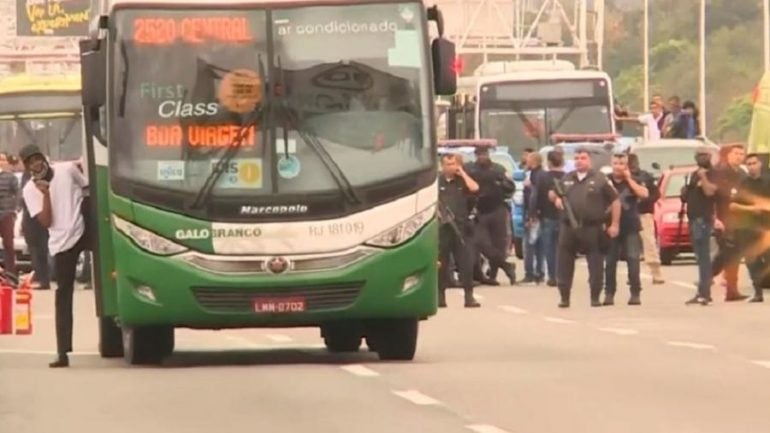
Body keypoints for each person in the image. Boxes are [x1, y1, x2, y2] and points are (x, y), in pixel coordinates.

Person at [19, 144, 89, 368]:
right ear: (27, 167)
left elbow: (87, 187)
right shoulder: (30, 190)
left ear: (44, 158)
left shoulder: (67, 169)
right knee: (63, 294)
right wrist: (46, 193)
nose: (36, 164)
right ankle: (62, 351)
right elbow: (46, 221)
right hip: (61, 242)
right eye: (30, 162)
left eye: (38, 159)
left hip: (84, 228)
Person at [550, 148, 620, 308]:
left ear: (589, 161)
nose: (579, 161)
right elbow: (552, 193)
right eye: (576, 158)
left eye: (582, 158)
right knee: (564, 263)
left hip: (592, 227)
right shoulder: (567, 178)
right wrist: (556, 199)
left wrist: (614, 224)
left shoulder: (600, 179)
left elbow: (615, 200)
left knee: (595, 263)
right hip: (568, 228)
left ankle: (595, 297)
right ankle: (564, 297)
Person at [466, 146, 517, 286]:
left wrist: (503, 183)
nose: (482, 157)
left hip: (497, 209)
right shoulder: (469, 169)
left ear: (488, 155)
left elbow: (510, 187)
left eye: (484, 154)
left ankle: (493, 274)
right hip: (479, 211)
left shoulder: (498, 169)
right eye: (479, 154)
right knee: (481, 243)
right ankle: (507, 266)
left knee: (498, 243)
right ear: (475, 155)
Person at [603, 153, 649, 306]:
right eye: (615, 163)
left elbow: (644, 194)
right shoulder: (605, 180)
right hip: (610, 227)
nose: (618, 166)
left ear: (627, 165)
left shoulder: (634, 180)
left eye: (621, 163)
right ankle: (609, 293)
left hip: (631, 226)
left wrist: (629, 179)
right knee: (610, 262)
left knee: (633, 260)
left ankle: (635, 293)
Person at [438, 153, 480, 308]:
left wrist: (462, 172)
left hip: (461, 227)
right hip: (443, 229)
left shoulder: (462, 181)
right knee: (442, 264)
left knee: (466, 263)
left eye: (454, 163)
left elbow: (475, 188)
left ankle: (469, 297)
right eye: (448, 164)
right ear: (442, 166)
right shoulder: (437, 182)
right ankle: (440, 297)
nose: (451, 167)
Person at [710, 143, 749, 301]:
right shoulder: (720, 173)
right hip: (722, 218)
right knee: (728, 253)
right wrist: (714, 218)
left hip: (739, 219)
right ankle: (709, 278)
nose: (739, 157)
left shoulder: (742, 174)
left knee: (734, 254)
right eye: (736, 153)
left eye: (741, 154)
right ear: (728, 155)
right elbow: (712, 197)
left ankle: (731, 289)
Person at [729, 153, 770, 302]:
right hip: (748, 228)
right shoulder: (742, 183)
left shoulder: (767, 181)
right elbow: (732, 205)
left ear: (760, 164)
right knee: (752, 262)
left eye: (754, 163)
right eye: (749, 164)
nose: (752, 166)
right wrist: (751, 209)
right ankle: (757, 292)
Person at [682, 146, 719, 305]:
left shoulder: (713, 173)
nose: (700, 157)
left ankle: (705, 292)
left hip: (703, 219)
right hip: (693, 217)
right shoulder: (694, 173)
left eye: (704, 155)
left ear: (709, 156)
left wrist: (703, 177)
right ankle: (701, 292)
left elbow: (711, 192)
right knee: (699, 257)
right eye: (698, 155)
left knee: (704, 257)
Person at [628, 153, 665, 284]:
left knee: (649, 244)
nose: (632, 166)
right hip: (626, 215)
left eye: (634, 162)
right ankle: (632, 275)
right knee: (628, 247)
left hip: (643, 213)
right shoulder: (621, 178)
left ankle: (656, 273)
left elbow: (656, 194)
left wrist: (645, 201)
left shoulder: (645, 177)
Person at [533, 150, 566, 287]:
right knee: (563, 247)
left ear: (549, 162)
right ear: (562, 162)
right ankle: (562, 275)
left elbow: (536, 196)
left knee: (549, 248)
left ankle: (552, 276)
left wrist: (533, 213)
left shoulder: (543, 177)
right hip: (564, 217)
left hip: (547, 216)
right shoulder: (567, 177)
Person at [21, 163, 53, 290]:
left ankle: (43, 279)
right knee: (39, 251)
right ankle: (42, 277)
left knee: (38, 251)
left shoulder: (30, 186)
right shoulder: (35, 183)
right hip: (35, 219)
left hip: (35, 220)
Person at [523, 152, 545, 283]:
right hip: (541, 213)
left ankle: (530, 273)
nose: (526, 162)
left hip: (533, 213)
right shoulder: (542, 174)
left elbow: (534, 196)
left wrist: (531, 215)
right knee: (540, 245)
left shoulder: (535, 175)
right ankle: (540, 272)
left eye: (528, 160)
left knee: (530, 244)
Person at [0, 152, 19, 275]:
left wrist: (13, 209)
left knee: (8, 244)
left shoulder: (10, 177)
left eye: (3, 160)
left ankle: (10, 273)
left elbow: (17, 193)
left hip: (6, 214)